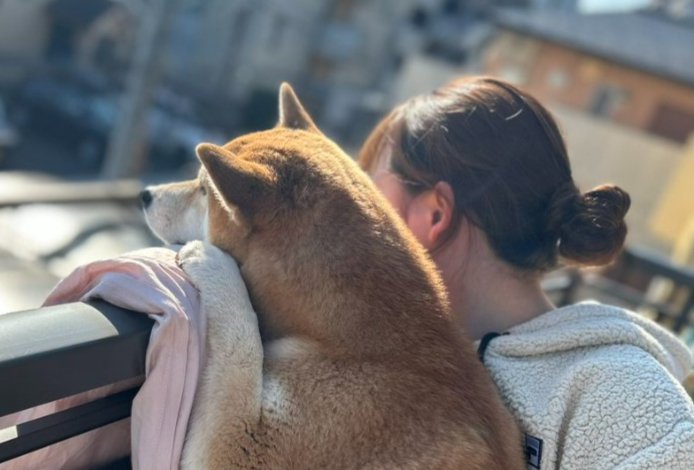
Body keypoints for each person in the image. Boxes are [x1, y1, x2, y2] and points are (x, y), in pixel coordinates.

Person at [358, 76, 694, 469]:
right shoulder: (382, 359)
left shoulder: (617, 391)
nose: (357, 221)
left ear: (434, 213)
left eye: (367, 196)